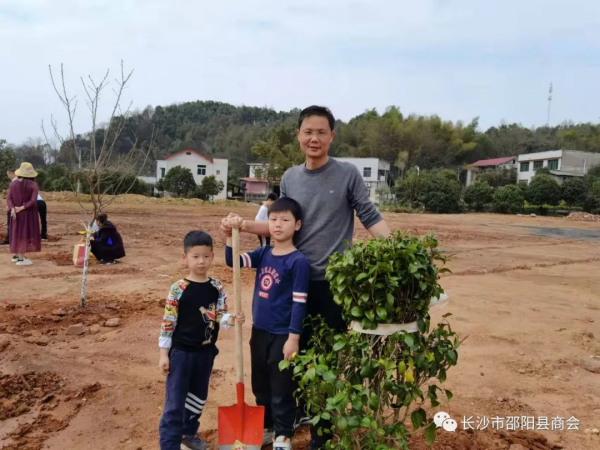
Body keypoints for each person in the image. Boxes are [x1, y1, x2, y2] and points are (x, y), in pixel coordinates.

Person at [221, 106, 391, 450]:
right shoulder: (290, 178)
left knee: (324, 358)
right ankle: (280, 422)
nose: (314, 138)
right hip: (287, 283)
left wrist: (395, 249)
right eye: (308, 132)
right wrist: (240, 225)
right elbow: (276, 223)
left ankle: (321, 435)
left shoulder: (347, 175)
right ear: (298, 135)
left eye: (321, 132)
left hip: (330, 285)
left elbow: (369, 215)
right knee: (283, 357)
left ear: (331, 136)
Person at [225, 197, 310, 450]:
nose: (277, 225)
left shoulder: (299, 262)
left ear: (297, 225)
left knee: (281, 386)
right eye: (273, 219)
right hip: (259, 331)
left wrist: (293, 338)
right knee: (260, 384)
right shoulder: (263, 254)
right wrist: (230, 236)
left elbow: (299, 303)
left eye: (285, 220)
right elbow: (234, 263)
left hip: (283, 334)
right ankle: (268, 427)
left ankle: (283, 435)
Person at [158, 231, 245, 450]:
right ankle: (169, 444)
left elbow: (220, 316)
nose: (201, 261)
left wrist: (231, 319)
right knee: (175, 402)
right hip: (181, 354)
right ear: (184, 257)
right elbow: (168, 322)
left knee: (198, 397)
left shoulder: (216, 287)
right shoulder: (178, 288)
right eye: (195, 256)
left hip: (205, 353)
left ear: (212, 256)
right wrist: (163, 354)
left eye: (206, 256)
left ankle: (188, 433)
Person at [7, 163, 42, 266]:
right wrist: (22, 208)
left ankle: (16, 256)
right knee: (24, 234)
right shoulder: (33, 185)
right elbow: (33, 200)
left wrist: (13, 209)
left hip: (15, 213)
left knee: (16, 232)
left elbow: (8, 198)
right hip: (27, 213)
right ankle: (21, 259)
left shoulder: (13, 184)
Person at [1, 169, 17, 246]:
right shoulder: (16, 182)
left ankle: (9, 239)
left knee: (10, 223)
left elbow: (11, 196)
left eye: (8, 174)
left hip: (14, 207)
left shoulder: (14, 182)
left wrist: (10, 206)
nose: (8, 176)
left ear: (12, 173)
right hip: (15, 206)